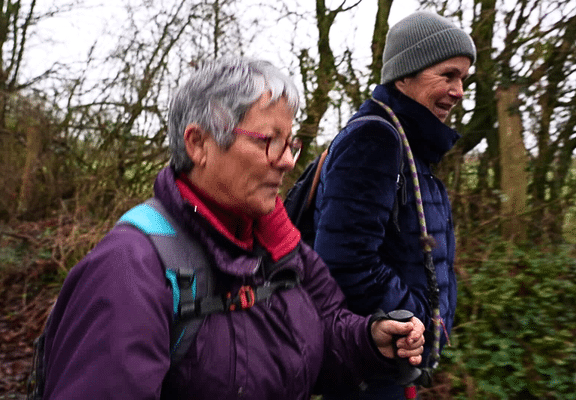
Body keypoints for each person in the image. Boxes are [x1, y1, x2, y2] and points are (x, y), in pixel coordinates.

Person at [38, 57, 426, 400]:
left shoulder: (277, 244)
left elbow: (319, 332)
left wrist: (369, 341)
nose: (288, 161)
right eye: (269, 141)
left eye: (291, 143)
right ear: (199, 143)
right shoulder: (129, 269)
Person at [313, 10, 477, 399]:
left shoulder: (413, 147)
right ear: (405, 74)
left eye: (464, 80)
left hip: (393, 366)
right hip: (369, 370)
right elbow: (343, 260)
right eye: (449, 75)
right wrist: (414, 316)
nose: (459, 91)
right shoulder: (376, 140)